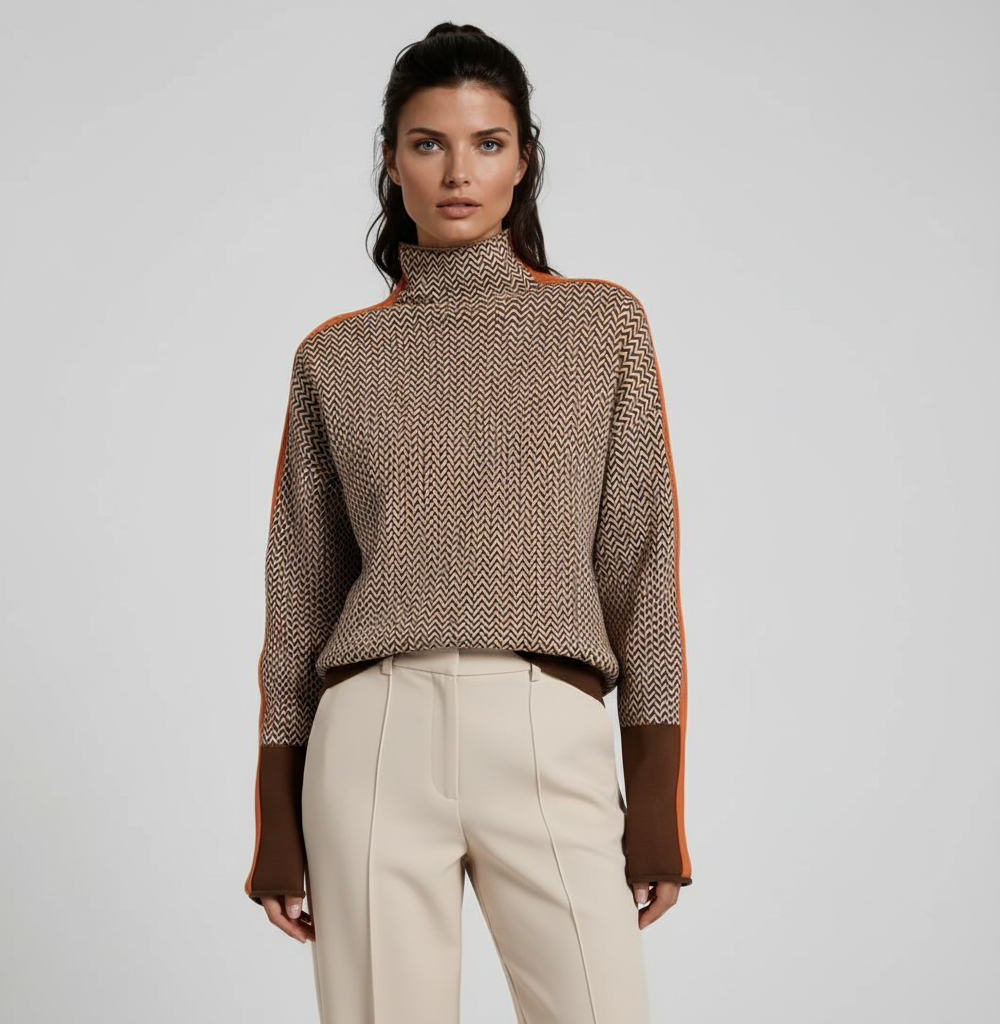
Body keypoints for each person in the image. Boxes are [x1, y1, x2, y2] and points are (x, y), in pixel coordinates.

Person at [244, 21, 692, 1024]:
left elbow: (640, 563)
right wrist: (277, 817)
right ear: (391, 161)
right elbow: (300, 595)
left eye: (487, 143)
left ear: (524, 159)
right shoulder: (336, 357)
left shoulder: (601, 326)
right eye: (428, 143)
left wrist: (655, 803)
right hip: (372, 738)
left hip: (547, 727)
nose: (458, 171)